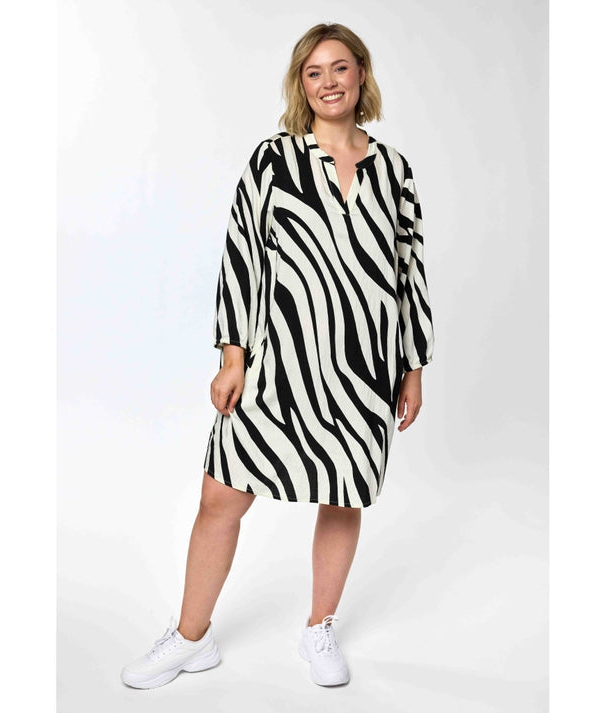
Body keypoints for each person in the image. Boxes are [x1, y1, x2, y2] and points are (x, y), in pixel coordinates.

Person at [121, 21, 434, 690]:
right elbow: (242, 257)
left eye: (339, 68)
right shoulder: (274, 160)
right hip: (279, 361)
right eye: (314, 72)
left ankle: (319, 626)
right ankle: (190, 637)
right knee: (221, 495)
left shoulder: (394, 170)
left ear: (361, 74)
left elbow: (409, 272)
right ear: (301, 84)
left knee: (343, 494)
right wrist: (232, 358)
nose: (328, 82)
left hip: (363, 367)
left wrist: (412, 367)